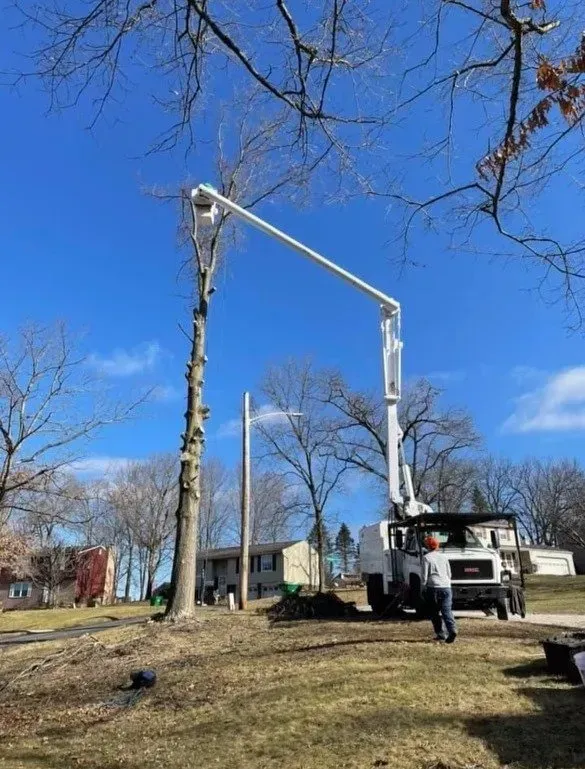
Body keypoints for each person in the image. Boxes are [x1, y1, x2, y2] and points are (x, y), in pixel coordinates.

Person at [422, 535, 457, 644]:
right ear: (437, 545)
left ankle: (440, 633)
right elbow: (449, 573)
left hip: (433, 587)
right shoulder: (444, 557)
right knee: (447, 610)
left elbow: (424, 575)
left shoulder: (426, 558)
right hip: (446, 586)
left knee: (434, 612)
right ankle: (452, 630)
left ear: (427, 546)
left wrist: (423, 587)